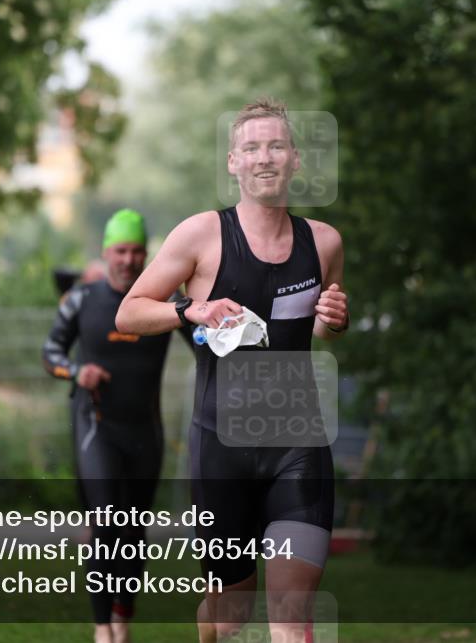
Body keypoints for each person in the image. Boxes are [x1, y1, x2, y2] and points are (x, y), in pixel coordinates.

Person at [115, 98, 349, 643]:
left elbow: (322, 328)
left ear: (294, 159)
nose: (264, 157)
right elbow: (130, 310)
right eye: (251, 148)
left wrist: (336, 320)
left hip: (299, 444)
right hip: (221, 446)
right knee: (230, 615)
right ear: (233, 163)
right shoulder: (201, 236)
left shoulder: (325, 243)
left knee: (292, 618)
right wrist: (188, 308)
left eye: (275, 146)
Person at [42, 209, 188, 643]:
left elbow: (205, 344)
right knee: (105, 521)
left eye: (137, 251)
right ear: (106, 252)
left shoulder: (165, 302)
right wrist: (75, 372)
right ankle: (102, 625)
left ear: (146, 255)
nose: (128, 259)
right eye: (120, 250)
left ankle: (123, 617)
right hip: (97, 425)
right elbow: (50, 353)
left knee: (133, 529)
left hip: (145, 430)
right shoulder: (82, 299)